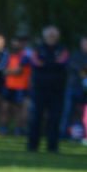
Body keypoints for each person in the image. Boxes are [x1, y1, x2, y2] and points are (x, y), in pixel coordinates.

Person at [23, 25, 69, 153]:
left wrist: (47, 64)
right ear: (45, 36)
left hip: (57, 90)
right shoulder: (37, 49)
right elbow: (36, 63)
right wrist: (51, 63)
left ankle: (52, 146)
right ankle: (33, 146)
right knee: (36, 117)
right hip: (39, 89)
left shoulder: (62, 49)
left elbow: (62, 62)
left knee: (55, 118)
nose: (51, 37)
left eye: (53, 35)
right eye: (49, 35)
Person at [2, 35, 31, 136]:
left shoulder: (26, 55)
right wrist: (10, 71)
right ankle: (3, 129)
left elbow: (19, 71)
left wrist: (9, 71)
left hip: (21, 87)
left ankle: (18, 129)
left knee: (19, 109)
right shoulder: (9, 55)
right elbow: (4, 71)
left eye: (20, 42)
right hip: (9, 86)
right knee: (5, 108)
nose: (16, 44)